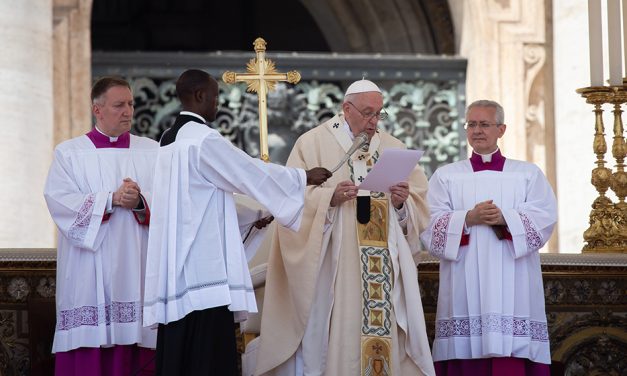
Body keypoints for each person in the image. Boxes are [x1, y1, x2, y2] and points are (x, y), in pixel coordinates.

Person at [142, 69, 331, 375]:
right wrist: (301, 177)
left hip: (176, 267)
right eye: (215, 97)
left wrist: (253, 216)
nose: (218, 104)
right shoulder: (203, 139)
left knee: (181, 355)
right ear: (200, 95)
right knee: (207, 356)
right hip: (203, 272)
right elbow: (246, 172)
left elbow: (196, 203)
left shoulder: (168, 139)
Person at [254, 79, 435, 376]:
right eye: (367, 113)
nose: (374, 121)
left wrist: (402, 204)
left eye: (379, 114)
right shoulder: (311, 144)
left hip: (383, 272)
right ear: (346, 109)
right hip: (334, 270)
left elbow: (418, 209)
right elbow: (289, 202)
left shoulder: (394, 147)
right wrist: (330, 198)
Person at [420, 100, 557, 375]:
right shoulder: (446, 176)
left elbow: (545, 218)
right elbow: (427, 224)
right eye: (471, 124)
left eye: (484, 124)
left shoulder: (527, 174)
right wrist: (468, 218)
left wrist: (505, 218)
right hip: (464, 278)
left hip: (514, 278)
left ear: (501, 129)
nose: (477, 130)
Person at [44, 76, 158, 375]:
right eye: (119, 105)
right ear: (98, 110)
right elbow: (59, 200)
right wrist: (109, 200)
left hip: (139, 267)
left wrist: (140, 202)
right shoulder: (69, 153)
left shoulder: (153, 151)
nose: (128, 112)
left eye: (131, 104)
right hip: (89, 270)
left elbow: (173, 205)